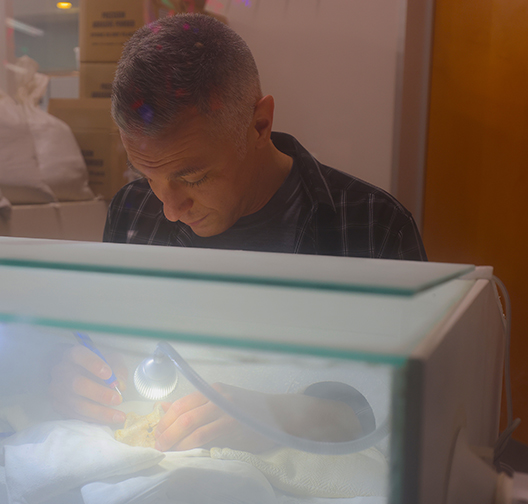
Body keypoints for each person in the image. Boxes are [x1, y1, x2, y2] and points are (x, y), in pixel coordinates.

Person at [51, 13, 424, 451]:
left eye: (193, 178)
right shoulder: (133, 214)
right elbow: (102, 341)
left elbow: (411, 412)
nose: (169, 209)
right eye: (147, 175)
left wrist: (283, 418)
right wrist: (76, 374)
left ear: (260, 124)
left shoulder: (371, 227)